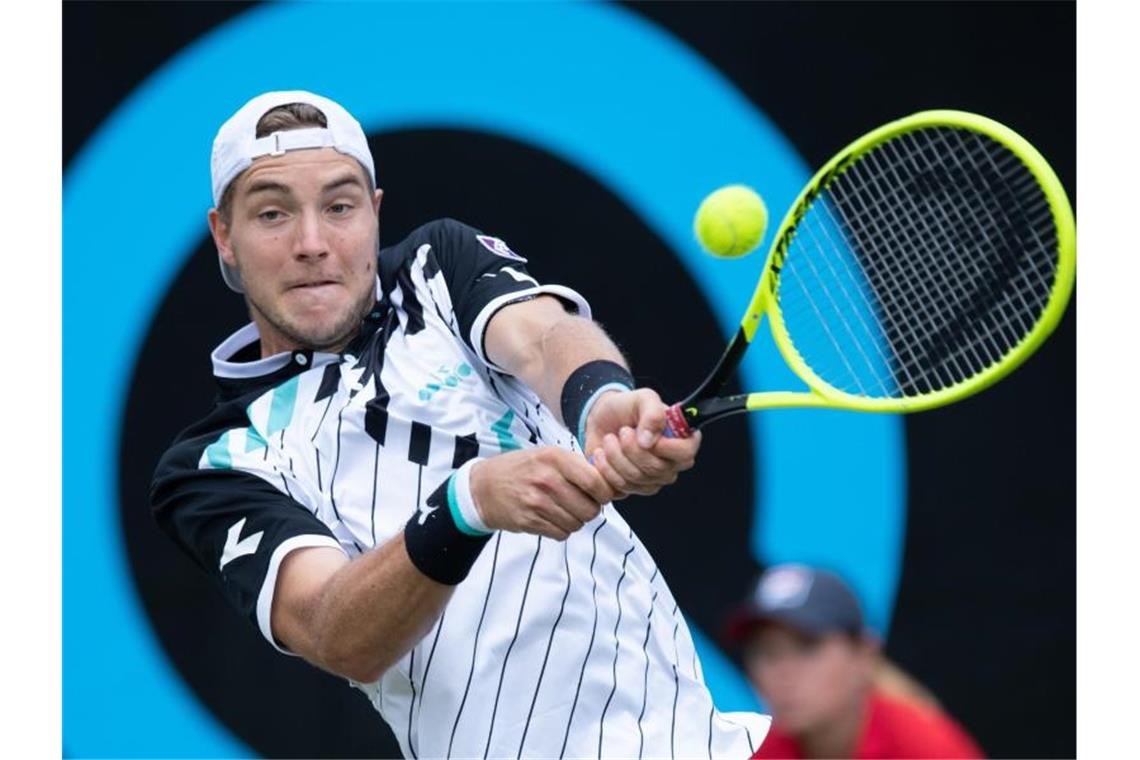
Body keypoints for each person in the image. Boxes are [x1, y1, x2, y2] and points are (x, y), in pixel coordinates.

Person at [149, 90, 770, 758]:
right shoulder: (218, 463)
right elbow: (337, 633)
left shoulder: (434, 269)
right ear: (224, 236)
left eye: (339, 207)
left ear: (374, 214)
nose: (312, 243)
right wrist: (468, 505)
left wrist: (600, 401)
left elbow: (542, 337)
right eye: (273, 214)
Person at [724, 564, 984, 759]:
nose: (784, 673)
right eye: (767, 652)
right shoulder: (758, 752)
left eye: (807, 647)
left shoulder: (926, 749)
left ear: (864, 656)